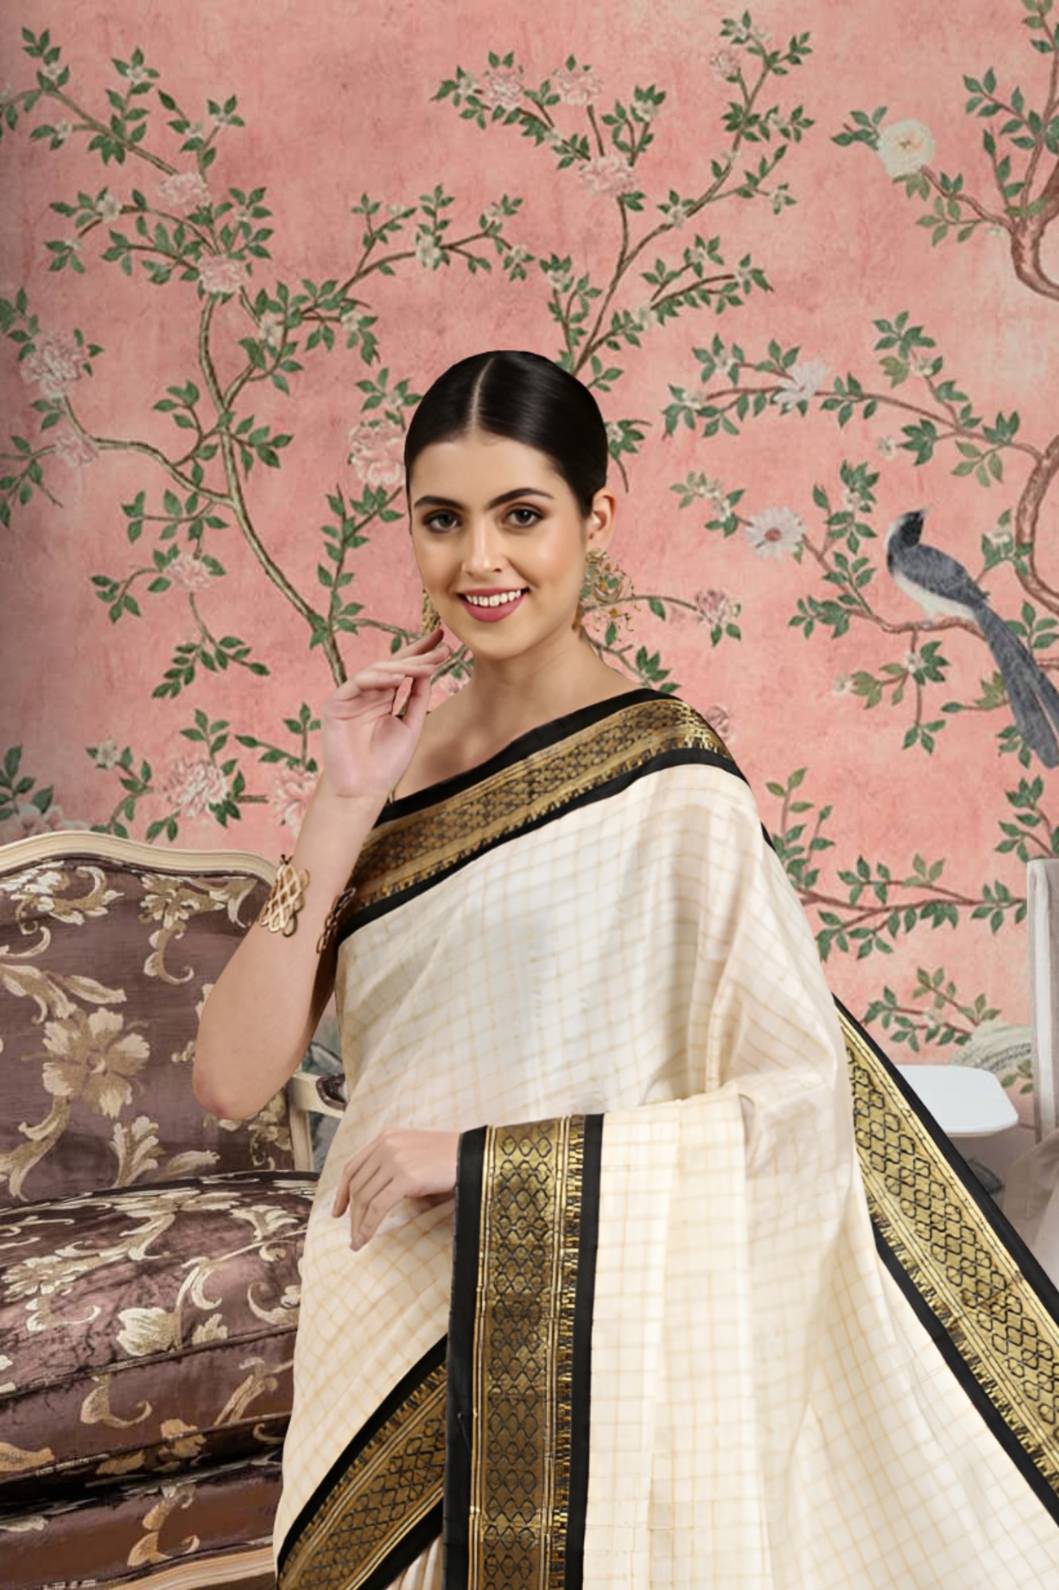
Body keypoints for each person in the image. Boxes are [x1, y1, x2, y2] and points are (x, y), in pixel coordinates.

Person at [197, 350, 1059, 1588]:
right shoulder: (383, 776)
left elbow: (795, 1106)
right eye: (442, 520)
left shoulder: (671, 780)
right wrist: (336, 811)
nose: (480, 562)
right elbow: (230, 1079)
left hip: (579, 1326)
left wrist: (489, 1163)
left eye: (522, 515)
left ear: (598, 517)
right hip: (382, 1308)